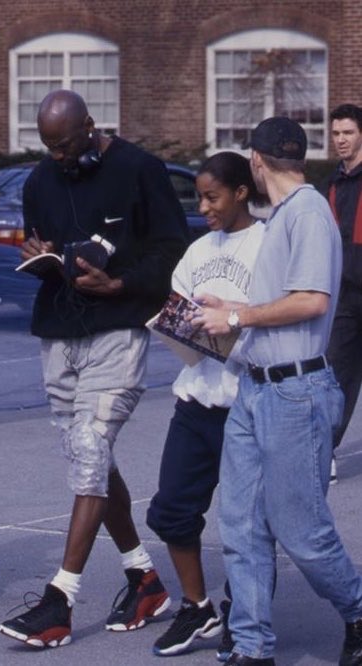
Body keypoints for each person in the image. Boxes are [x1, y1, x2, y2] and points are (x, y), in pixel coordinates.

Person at [0, 89, 190, 648]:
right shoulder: (39, 182)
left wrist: (122, 282)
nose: (58, 157)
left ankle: (59, 600)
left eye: (65, 145)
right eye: (48, 147)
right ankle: (143, 578)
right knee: (92, 460)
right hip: (59, 332)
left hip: (117, 331)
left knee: (90, 455)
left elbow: (175, 251)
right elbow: (49, 252)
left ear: (90, 126)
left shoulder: (140, 170)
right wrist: (38, 256)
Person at [193, 116, 362, 666]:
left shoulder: (309, 213)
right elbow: (277, 302)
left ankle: (358, 611)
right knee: (240, 525)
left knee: (302, 532)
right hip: (256, 388)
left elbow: (311, 300)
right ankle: (251, 645)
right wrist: (227, 313)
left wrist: (237, 315)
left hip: (295, 392)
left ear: (257, 163)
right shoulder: (287, 214)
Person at [146, 152, 265, 659]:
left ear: (241, 191)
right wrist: (180, 328)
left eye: (212, 196)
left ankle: (246, 617)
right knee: (171, 511)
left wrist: (232, 324)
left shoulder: (268, 246)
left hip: (249, 407)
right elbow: (177, 307)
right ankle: (198, 608)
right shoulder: (196, 252)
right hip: (196, 403)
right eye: (200, 197)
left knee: (249, 529)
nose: (204, 206)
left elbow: (280, 321)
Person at [326, 103, 362, 483]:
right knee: (336, 378)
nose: (340, 140)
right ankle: (325, 450)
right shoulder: (334, 183)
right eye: (336, 133)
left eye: (347, 132)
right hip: (346, 297)